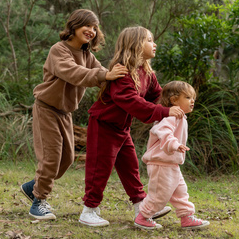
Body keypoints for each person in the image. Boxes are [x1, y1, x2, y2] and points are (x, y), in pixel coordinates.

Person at [20, 9, 128, 220]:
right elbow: (73, 73)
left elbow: (102, 76)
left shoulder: (88, 56)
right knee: (51, 158)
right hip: (46, 108)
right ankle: (39, 201)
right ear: (74, 26)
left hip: (64, 112)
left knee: (67, 158)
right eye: (87, 25)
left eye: (95, 27)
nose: (91, 30)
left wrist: (123, 81)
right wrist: (104, 75)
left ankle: (33, 186)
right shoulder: (58, 50)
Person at [79, 26, 185, 227]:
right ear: (136, 45)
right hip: (104, 125)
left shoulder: (146, 71)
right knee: (99, 169)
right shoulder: (123, 71)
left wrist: (175, 104)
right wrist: (164, 112)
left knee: (130, 167)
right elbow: (132, 102)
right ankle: (89, 210)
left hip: (121, 128)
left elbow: (157, 96)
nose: (154, 44)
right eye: (149, 40)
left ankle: (142, 207)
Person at [134, 81, 210, 230]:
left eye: (193, 97)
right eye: (188, 97)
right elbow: (163, 132)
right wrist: (175, 145)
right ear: (174, 100)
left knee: (181, 192)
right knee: (159, 195)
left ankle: (187, 217)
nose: (192, 101)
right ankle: (143, 217)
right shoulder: (170, 117)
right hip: (161, 163)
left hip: (171, 164)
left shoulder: (180, 117)